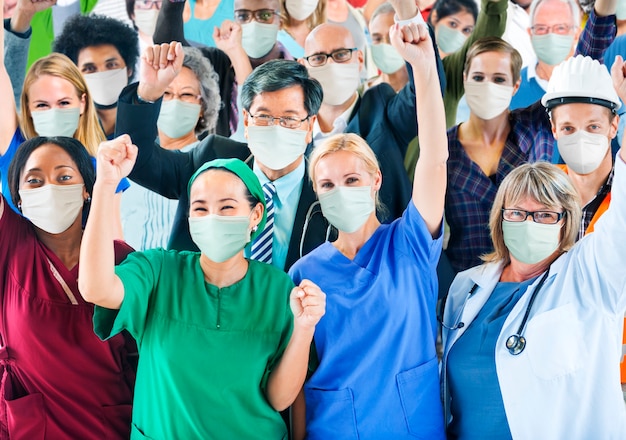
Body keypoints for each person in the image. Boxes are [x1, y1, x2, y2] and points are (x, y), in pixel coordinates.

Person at [78, 137, 326, 438]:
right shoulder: (159, 272)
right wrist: (105, 185)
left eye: (226, 207)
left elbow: (279, 398)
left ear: (256, 215)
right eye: (200, 209)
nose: (212, 219)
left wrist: (304, 328)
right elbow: (95, 288)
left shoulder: (277, 290)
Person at [288, 17, 447, 439]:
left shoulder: (409, 242)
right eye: (327, 184)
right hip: (333, 426)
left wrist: (424, 64)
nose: (340, 190)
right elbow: (300, 379)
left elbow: (433, 158)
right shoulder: (305, 272)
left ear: (376, 180)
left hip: (411, 424)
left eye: (352, 179)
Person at [440, 138, 626, 436]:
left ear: (565, 222)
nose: (529, 223)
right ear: (500, 219)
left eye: (544, 215)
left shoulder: (591, 274)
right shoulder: (467, 287)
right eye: (516, 213)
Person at [114, 43, 329, 271]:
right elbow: (138, 160)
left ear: (309, 126)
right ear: (246, 121)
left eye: (289, 119)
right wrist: (148, 93)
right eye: (264, 117)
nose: (276, 128)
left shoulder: (329, 189)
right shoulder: (213, 159)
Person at [0, 135, 135, 439]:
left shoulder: (123, 259)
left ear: (86, 189)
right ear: (17, 197)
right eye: (34, 181)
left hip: (110, 426)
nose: (49, 189)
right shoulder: (9, 243)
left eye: (63, 177)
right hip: (37, 428)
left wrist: (108, 180)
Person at [120, 45, 221, 250]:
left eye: (186, 95)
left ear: (202, 107)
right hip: (133, 273)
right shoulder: (129, 158)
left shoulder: (212, 161)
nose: (175, 102)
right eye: (166, 93)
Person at [509, 0, 616, 110]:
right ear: (530, 33)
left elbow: (600, 26)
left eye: (560, 28)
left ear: (576, 33)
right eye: (541, 28)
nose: (551, 35)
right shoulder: (512, 88)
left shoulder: (589, 71)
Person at [53, 13, 140, 138]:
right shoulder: (66, 132)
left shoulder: (147, 122)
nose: (102, 74)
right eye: (89, 68)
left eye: (111, 65)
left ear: (129, 69)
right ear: (75, 76)